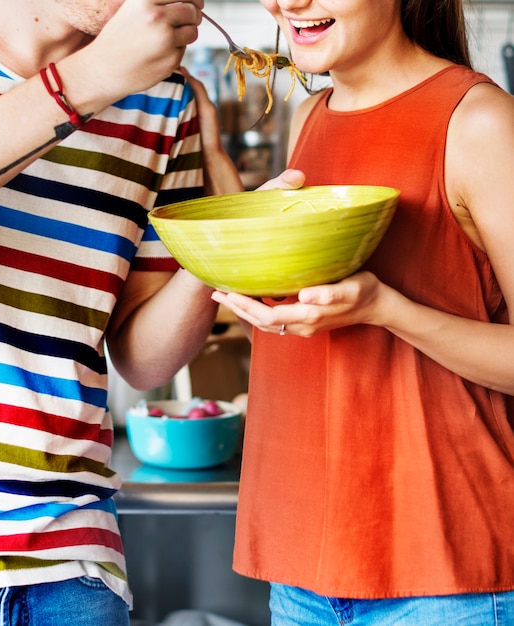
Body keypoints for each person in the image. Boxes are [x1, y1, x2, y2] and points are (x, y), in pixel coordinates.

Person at [0, 0, 295, 624]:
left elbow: (142, 356)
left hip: (72, 568)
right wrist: (91, 79)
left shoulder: (164, 98)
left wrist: (223, 247)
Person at [198, 0, 514, 624]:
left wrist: (387, 309)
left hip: (447, 576)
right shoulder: (308, 115)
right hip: (304, 570)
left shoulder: (479, 121)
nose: (290, 3)